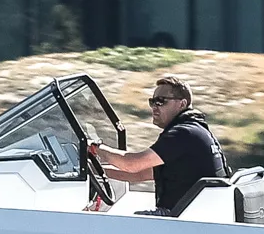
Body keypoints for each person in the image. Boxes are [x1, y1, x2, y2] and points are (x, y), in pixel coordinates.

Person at [89, 75, 228, 215]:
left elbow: (132, 164)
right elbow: (139, 174)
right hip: (194, 215)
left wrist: (94, 147)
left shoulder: (183, 133)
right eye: (152, 102)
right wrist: (92, 170)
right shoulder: (195, 131)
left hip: (182, 219)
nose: (154, 107)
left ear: (182, 104)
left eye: (161, 101)